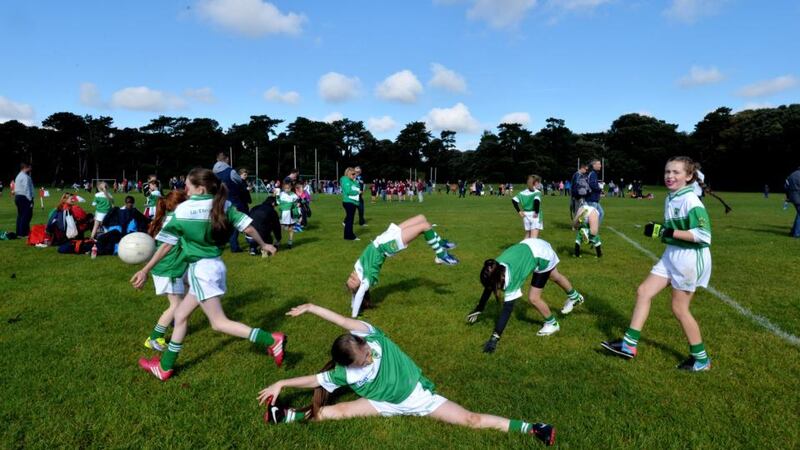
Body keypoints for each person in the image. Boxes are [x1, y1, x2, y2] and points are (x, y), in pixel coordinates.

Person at [257, 303, 556, 446]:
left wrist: (310, 307)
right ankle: (284, 415)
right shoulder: (344, 374)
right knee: (328, 413)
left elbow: (342, 320)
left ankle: (532, 428)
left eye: (366, 351)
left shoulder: (371, 335)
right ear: (352, 364)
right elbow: (313, 380)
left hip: (418, 398)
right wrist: (283, 381)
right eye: (363, 360)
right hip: (381, 403)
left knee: (471, 420)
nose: (369, 357)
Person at [131, 168, 284, 381]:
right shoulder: (224, 205)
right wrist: (264, 244)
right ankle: (165, 367)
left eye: (187, 185)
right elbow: (248, 228)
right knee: (181, 315)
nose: (184, 189)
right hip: (213, 267)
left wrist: (145, 269)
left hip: (202, 271)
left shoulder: (183, 210)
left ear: (200, 188)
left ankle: (271, 340)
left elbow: (166, 245)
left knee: (219, 323)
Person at [601, 156, 713, 372]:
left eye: (676, 173)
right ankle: (629, 346)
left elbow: (703, 235)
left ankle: (701, 359)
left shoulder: (691, 200)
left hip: (689, 258)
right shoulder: (671, 197)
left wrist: (667, 231)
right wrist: (660, 230)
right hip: (672, 254)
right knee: (644, 291)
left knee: (679, 308)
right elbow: (673, 231)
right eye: (667, 172)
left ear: (689, 176)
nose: (670, 176)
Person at [466, 238, 585, 353]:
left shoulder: (512, 279)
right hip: (535, 245)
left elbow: (507, 310)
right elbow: (489, 286)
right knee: (554, 276)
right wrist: (479, 308)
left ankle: (552, 324)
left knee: (534, 298)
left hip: (542, 255)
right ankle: (575, 297)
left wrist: (494, 338)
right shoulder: (495, 266)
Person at [346, 215, 458, 318]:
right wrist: (354, 316)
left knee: (422, 218)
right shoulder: (367, 279)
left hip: (385, 236)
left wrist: (353, 297)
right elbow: (358, 295)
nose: (351, 276)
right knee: (424, 227)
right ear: (360, 286)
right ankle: (440, 255)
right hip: (387, 245)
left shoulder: (358, 268)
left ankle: (440, 243)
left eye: (349, 278)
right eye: (353, 280)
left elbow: (354, 295)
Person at [141, 190, 189, 352]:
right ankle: (154, 338)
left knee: (190, 290)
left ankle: (178, 321)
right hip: (170, 268)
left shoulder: (168, 218)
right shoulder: (178, 221)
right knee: (176, 305)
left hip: (170, 266)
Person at [213, 152, 248, 252]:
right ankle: (234, 246)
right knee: (236, 222)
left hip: (219, 201)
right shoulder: (231, 171)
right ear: (227, 159)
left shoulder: (213, 172)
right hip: (233, 200)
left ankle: (218, 244)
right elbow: (239, 181)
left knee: (220, 223)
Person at [512, 174, 544, 239]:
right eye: (539, 183)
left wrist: (519, 211)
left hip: (525, 214)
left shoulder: (522, 193)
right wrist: (536, 212)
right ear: (536, 183)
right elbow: (536, 201)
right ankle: (529, 249)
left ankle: (522, 248)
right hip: (534, 215)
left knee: (528, 235)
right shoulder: (537, 192)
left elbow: (514, 200)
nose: (539, 184)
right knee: (533, 238)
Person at [14, 163, 34, 237]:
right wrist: (30, 199)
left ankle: (19, 232)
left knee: (20, 215)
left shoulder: (18, 176)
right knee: (26, 215)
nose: (31, 168)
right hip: (24, 197)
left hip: (18, 197)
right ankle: (24, 233)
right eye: (29, 167)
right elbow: (26, 188)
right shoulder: (25, 177)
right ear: (26, 167)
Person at [340, 167, 360, 240]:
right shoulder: (345, 180)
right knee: (350, 220)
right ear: (348, 173)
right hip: (349, 202)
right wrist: (356, 192)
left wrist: (354, 180)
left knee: (349, 220)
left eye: (355, 174)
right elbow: (348, 191)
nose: (354, 175)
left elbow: (358, 186)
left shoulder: (351, 180)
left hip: (351, 202)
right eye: (353, 174)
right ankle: (350, 236)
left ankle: (347, 235)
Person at [278, 181, 299, 249]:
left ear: (291, 188)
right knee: (281, 228)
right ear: (283, 188)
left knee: (291, 228)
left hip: (291, 213)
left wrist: (296, 204)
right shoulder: (281, 194)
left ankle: (290, 242)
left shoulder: (293, 194)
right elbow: (278, 202)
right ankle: (278, 242)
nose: (287, 189)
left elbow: (296, 202)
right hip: (284, 213)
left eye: (288, 188)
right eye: (285, 188)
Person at [785, 166, 800, 238]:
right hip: (798, 197)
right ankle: (796, 234)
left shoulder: (792, 174)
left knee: (799, 214)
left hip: (793, 197)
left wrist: (788, 196)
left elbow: (786, 186)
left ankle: (793, 232)